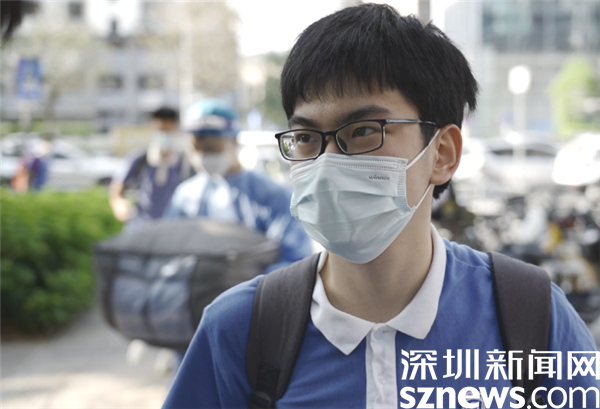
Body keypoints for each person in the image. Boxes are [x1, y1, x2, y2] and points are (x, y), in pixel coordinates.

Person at [164, 4, 599, 409]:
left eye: (363, 131)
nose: (327, 162)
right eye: (306, 138)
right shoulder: (240, 330)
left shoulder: (529, 316)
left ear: (442, 153)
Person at [164, 99, 313, 272]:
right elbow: (168, 250)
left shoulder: (271, 195)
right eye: (197, 146)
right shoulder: (186, 195)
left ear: (234, 140)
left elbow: (294, 263)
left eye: (212, 146)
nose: (204, 153)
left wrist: (248, 282)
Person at [109, 107, 195, 230]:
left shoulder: (185, 162)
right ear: (153, 129)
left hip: (173, 229)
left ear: (175, 130)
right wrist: (118, 203)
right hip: (141, 227)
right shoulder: (141, 159)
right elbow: (118, 187)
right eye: (161, 130)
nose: (164, 135)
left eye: (168, 130)